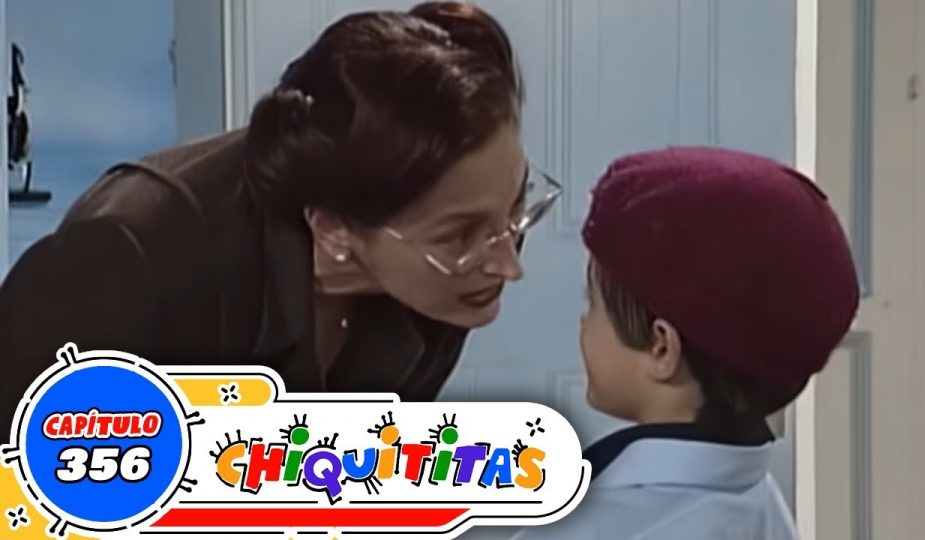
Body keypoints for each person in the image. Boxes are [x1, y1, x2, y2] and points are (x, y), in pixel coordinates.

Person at [0, 2, 562, 438]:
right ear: (333, 229)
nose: (508, 264)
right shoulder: (128, 256)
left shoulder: (450, 276)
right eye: (461, 235)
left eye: (515, 208)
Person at [511, 147, 859, 539]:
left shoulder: (611, 529)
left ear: (661, 347)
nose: (582, 321)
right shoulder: (756, 496)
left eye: (591, 302)